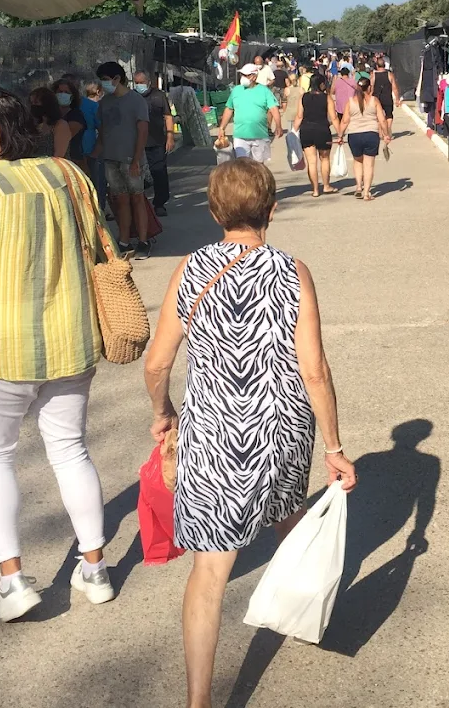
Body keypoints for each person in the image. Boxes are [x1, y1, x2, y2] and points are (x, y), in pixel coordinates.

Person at [144, 158, 356, 708]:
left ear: (215, 212)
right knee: (288, 519)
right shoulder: (293, 271)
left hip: (213, 433)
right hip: (281, 428)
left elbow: (157, 362)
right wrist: (333, 447)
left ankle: (198, 702)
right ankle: (302, 610)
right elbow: (315, 369)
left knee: (210, 574)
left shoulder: (189, 271)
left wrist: (163, 410)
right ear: (272, 209)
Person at [0, 87, 115, 622]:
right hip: (72, 338)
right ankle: (95, 569)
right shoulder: (70, 175)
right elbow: (96, 242)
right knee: (70, 450)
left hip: (1, 345)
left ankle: (13, 581)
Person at [92, 61, 153, 257]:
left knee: (137, 199)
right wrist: (94, 155)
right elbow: (102, 132)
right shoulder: (104, 103)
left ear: (117, 79)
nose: (103, 84)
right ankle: (124, 240)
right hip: (111, 159)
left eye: (106, 80)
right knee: (121, 200)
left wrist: (136, 160)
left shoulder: (136, 101)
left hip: (131, 159)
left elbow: (142, 131)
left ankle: (143, 241)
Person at [336, 72, 391, 201]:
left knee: (357, 161)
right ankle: (366, 193)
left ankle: (358, 187)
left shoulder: (350, 102)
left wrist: (340, 135)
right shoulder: (374, 100)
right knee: (369, 164)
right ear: (369, 88)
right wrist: (386, 134)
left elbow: (344, 121)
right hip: (371, 135)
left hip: (354, 135)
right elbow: (382, 120)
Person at [216, 63, 282, 163]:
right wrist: (222, 128)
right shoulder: (236, 90)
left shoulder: (264, 91)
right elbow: (229, 109)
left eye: (246, 75)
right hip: (240, 135)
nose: (243, 78)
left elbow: (274, 109)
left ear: (254, 77)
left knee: (259, 166)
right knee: (242, 165)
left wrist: (278, 126)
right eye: (242, 75)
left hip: (259, 135)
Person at [133, 70, 176, 218]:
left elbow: (168, 116)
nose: (139, 85)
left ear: (148, 82)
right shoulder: (131, 97)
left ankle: (159, 203)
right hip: (135, 142)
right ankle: (137, 205)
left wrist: (170, 136)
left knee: (159, 173)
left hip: (156, 141)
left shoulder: (158, 96)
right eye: (136, 83)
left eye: (141, 82)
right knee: (135, 175)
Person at [292, 72, 338, 196]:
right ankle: (326, 186)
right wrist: (340, 134)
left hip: (306, 130)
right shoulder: (326, 97)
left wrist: (293, 132)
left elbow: (299, 116)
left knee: (311, 162)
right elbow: (333, 117)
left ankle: (315, 189)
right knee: (324, 159)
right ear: (321, 84)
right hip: (322, 130)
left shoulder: (303, 97)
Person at [80, 80, 107, 204]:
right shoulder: (95, 107)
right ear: (98, 91)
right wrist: (97, 150)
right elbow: (103, 130)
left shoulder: (80, 104)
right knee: (96, 182)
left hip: (83, 149)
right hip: (91, 149)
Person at [53, 77, 89, 168]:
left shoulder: (76, 115)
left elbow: (65, 136)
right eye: (60, 92)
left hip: (73, 162)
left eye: (67, 92)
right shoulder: (51, 115)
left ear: (72, 96)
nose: (62, 94)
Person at [28, 86, 73, 159]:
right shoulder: (36, 125)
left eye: (36, 102)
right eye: (32, 103)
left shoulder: (60, 125)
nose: (33, 106)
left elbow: (59, 155)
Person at [371, 54, 400, 129]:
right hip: (387, 98)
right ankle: (388, 128)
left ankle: (381, 132)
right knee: (389, 115)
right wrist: (397, 99)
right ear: (384, 65)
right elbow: (395, 88)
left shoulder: (374, 75)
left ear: (377, 66)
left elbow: (371, 87)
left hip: (377, 98)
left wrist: (368, 98)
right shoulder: (389, 74)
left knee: (378, 116)